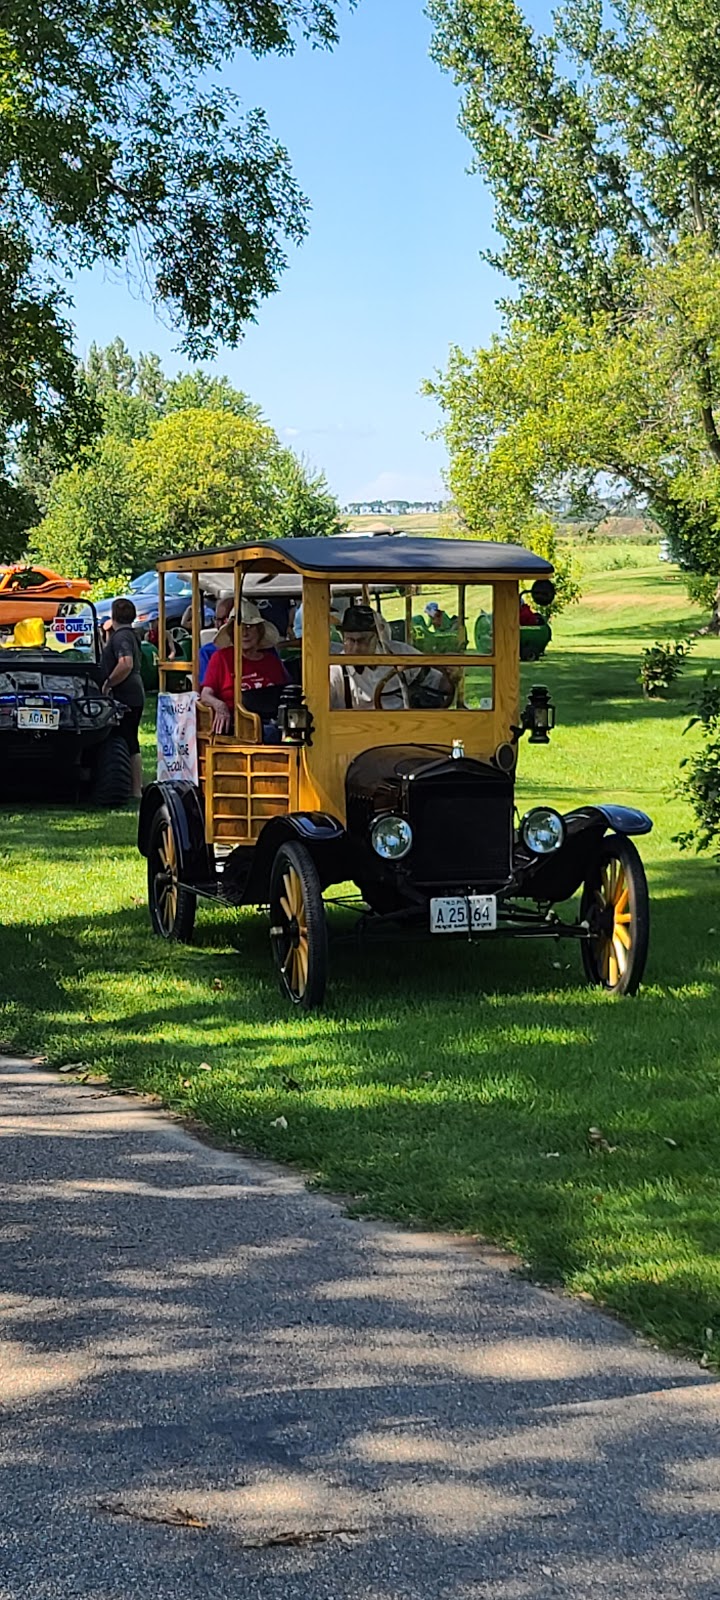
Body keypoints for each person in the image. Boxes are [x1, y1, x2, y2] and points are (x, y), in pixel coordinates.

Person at [329, 605, 449, 710]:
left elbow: (436, 682)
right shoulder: (336, 671)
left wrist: (452, 674)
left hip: (405, 727)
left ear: (377, 636)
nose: (355, 648)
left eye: (362, 640)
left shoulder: (400, 653)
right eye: (349, 640)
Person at [200, 599, 289, 737]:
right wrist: (220, 706)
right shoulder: (221, 658)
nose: (245, 633)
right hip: (237, 724)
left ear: (259, 631)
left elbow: (284, 694)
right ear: (232, 632)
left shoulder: (271, 661)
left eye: (250, 627)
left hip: (272, 721)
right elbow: (205, 694)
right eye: (240, 627)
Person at [99, 597, 145, 798]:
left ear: (113, 615)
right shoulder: (130, 634)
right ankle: (136, 788)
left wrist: (109, 682)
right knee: (131, 739)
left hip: (126, 694)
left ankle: (134, 790)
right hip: (135, 691)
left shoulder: (121, 638)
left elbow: (125, 663)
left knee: (126, 739)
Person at [198, 594, 233, 685]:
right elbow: (205, 686)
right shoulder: (207, 652)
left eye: (224, 619)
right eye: (216, 619)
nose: (218, 624)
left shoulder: (264, 651)